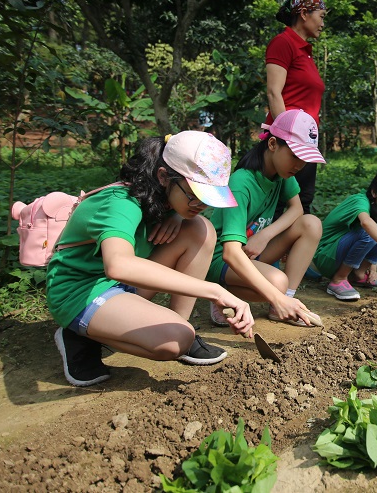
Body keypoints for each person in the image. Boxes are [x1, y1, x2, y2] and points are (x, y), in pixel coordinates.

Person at [46, 131, 253, 387]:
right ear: (164, 176)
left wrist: (180, 215)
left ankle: (181, 325)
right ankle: (78, 335)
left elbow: (185, 214)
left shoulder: (162, 198)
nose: (200, 204)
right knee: (172, 341)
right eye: (194, 195)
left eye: (207, 199)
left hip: (121, 287)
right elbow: (118, 264)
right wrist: (215, 291)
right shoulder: (120, 203)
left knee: (201, 229)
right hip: (81, 291)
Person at [206, 109, 325, 328]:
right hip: (222, 257)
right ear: (272, 144)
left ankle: (284, 303)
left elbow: (297, 209)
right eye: (295, 156)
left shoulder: (282, 174)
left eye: (305, 159)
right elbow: (231, 252)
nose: (300, 165)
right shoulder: (241, 183)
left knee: (311, 224)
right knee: (278, 281)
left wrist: (264, 235)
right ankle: (221, 294)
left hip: (253, 249)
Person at [266, 0, 327, 216]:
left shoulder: (306, 52)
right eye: (321, 16)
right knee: (282, 203)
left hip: (307, 141)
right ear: (304, 13)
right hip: (289, 141)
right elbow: (274, 92)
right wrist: (286, 139)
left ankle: (293, 252)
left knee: (303, 201)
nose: (322, 23)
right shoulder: (283, 43)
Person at [312, 168, 377, 301]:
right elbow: (367, 224)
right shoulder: (359, 201)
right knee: (368, 231)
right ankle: (339, 279)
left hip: (341, 253)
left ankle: (358, 274)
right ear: (374, 192)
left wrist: (373, 267)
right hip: (326, 256)